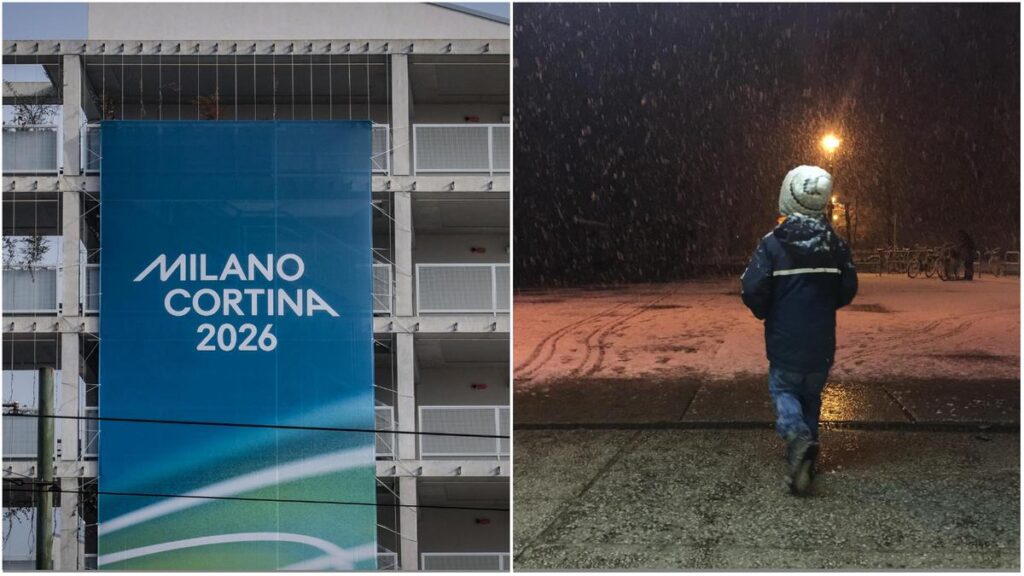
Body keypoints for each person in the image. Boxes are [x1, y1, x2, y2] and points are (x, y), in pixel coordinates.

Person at [740, 165, 858, 495]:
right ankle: (809, 451)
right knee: (811, 394)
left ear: (787, 197)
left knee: (784, 391)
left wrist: (765, 310)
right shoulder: (834, 245)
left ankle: (797, 437)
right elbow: (848, 287)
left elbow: (752, 288)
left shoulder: (772, 245)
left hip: (784, 341)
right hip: (821, 343)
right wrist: (823, 304)